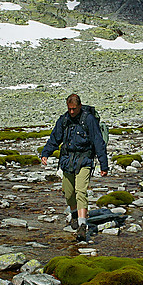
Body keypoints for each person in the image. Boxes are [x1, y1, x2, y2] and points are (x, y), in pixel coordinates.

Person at [41, 94, 108, 240]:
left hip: (84, 160)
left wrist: (104, 165)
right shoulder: (64, 120)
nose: (71, 112)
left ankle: (83, 225)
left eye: (74, 109)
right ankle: (74, 214)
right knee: (68, 192)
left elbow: (98, 141)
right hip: (67, 160)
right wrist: (45, 153)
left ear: (79, 106)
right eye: (69, 109)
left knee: (80, 191)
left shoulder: (88, 119)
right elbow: (54, 138)